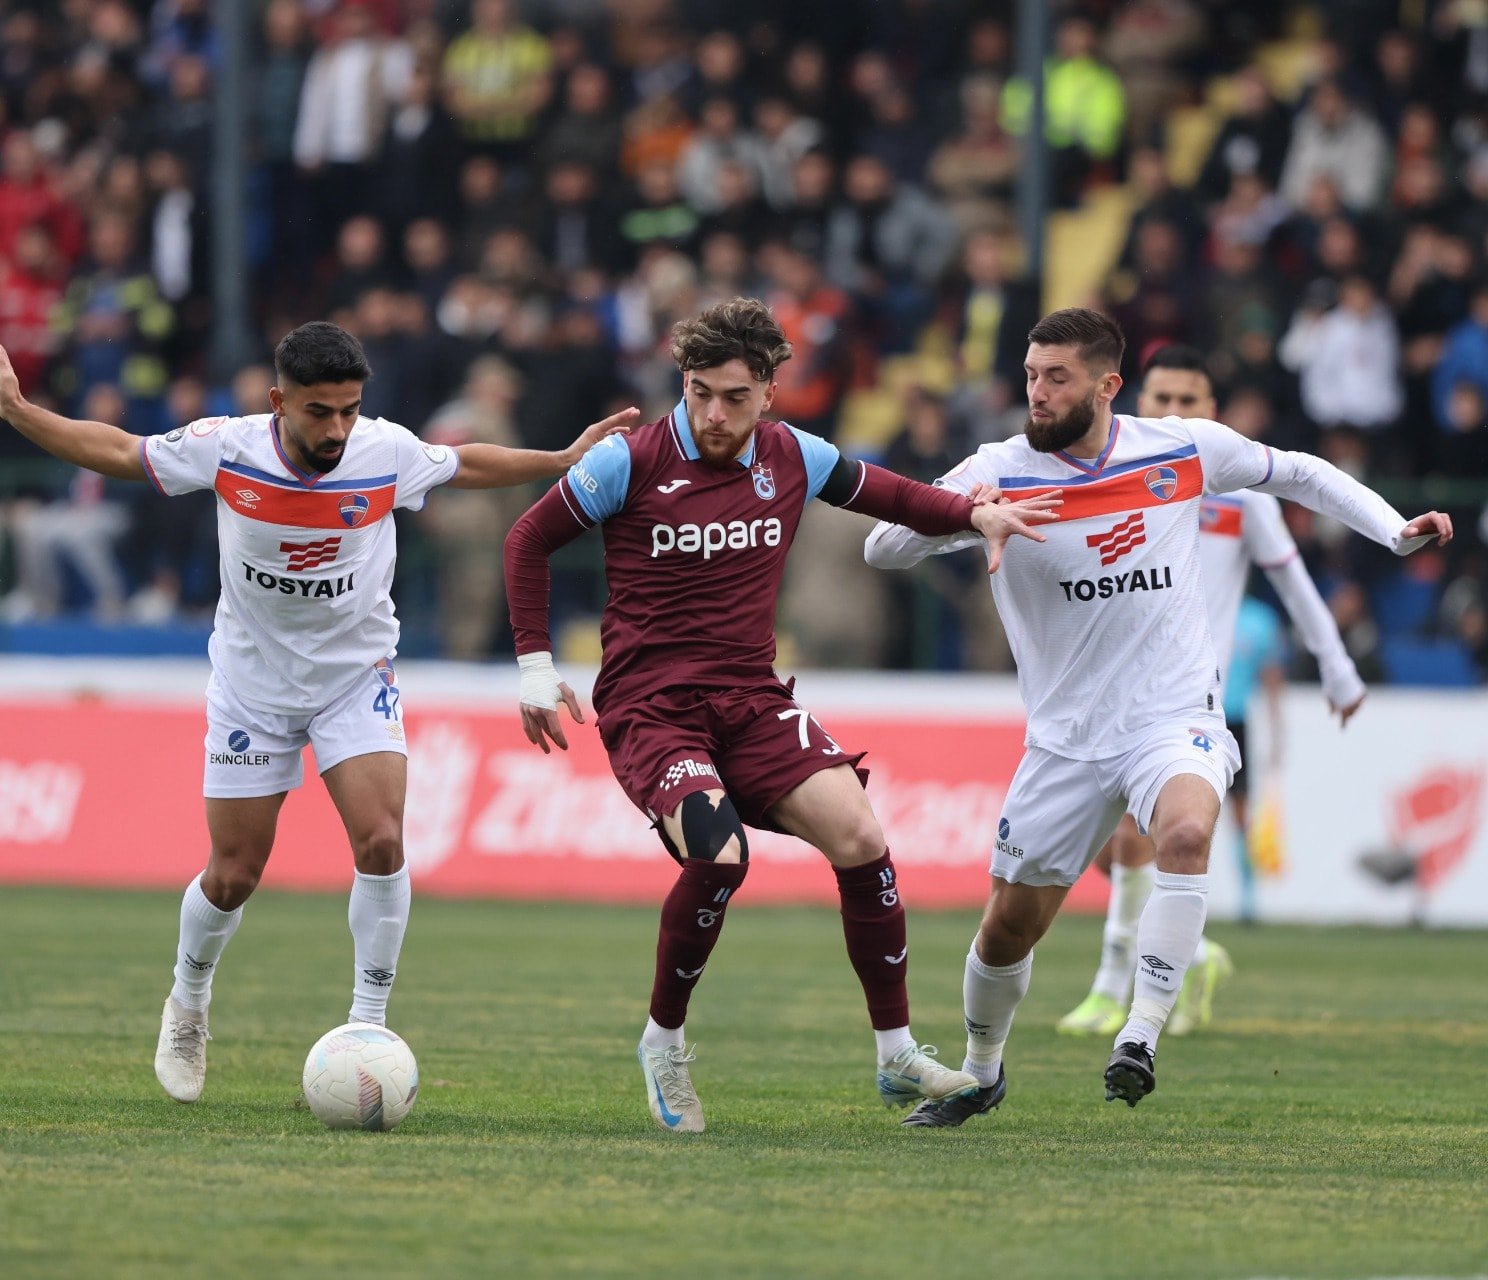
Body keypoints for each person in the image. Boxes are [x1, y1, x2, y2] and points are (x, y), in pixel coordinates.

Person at [0, 321, 635, 1104]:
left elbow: (465, 464)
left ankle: (367, 1027)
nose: (337, 429)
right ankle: (188, 1000)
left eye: (349, 410)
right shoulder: (226, 448)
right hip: (252, 686)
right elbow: (121, 450)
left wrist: (559, 459)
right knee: (233, 873)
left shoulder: (383, 451)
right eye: (320, 412)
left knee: (382, 838)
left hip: (354, 678)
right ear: (278, 401)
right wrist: (20, 411)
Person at [864, 308, 1450, 1123]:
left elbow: (1299, 472)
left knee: (1183, 832)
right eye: (1031, 375)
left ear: (1108, 385)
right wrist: (968, 514)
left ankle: (1139, 1035)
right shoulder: (997, 467)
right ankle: (981, 1071)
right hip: (1067, 741)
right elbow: (882, 548)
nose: (1038, 392)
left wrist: (1392, 530)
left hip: (1172, 714)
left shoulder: (1180, 448)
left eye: (1057, 377)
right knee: (1007, 929)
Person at [501, 297, 1060, 1133]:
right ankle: (663, 1043)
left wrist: (973, 513)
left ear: (768, 391)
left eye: (734, 397)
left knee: (861, 836)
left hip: (751, 698)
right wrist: (535, 669)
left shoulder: (793, 453)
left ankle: (896, 1053)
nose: (713, 414)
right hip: (653, 708)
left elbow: (890, 495)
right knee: (720, 856)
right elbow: (527, 540)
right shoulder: (629, 460)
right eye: (699, 394)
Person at [1056, 344, 1367, 1039]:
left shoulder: (1239, 496)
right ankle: (1194, 954)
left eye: (1187, 401)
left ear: (1211, 412)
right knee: (1106, 850)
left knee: (1137, 838)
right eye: (1161, 399)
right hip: (1112, 693)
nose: (1172, 412)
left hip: (1192, 700)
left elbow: (1293, 583)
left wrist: (1337, 665)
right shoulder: (1112, 480)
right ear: (1136, 402)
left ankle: (1113, 985)